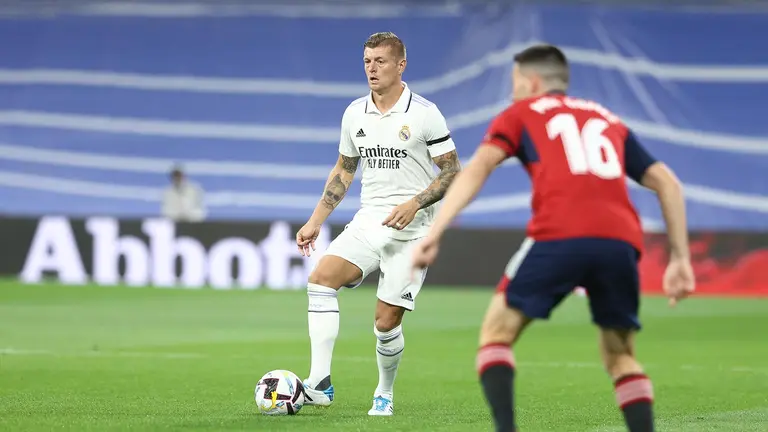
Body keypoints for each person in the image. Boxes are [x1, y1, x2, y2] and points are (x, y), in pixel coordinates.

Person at [411, 44, 695, 432]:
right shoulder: (607, 118)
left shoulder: (520, 113)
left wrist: (437, 227)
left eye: (515, 84)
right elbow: (668, 183)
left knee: (496, 334)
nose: (513, 93)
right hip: (620, 242)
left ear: (531, 82)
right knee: (621, 356)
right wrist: (680, 259)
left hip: (560, 232)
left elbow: (480, 165)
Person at [295, 32, 461, 416]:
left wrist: (416, 202)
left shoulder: (424, 113)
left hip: (412, 232)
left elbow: (452, 171)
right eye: (368, 61)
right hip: (369, 221)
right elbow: (344, 170)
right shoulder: (355, 113)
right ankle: (319, 384)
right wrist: (315, 220)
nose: (372, 68)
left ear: (401, 65)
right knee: (320, 280)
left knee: (385, 324)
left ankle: (384, 391)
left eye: (381, 61)